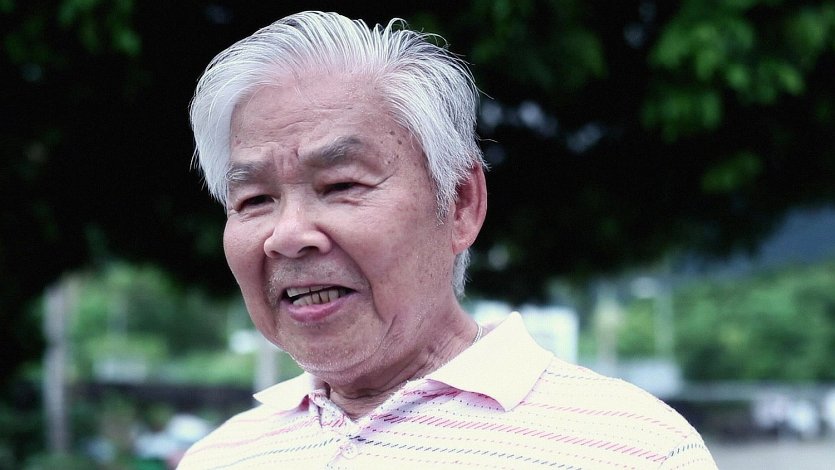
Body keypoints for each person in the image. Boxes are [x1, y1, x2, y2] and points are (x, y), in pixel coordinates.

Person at [178, 11, 717, 469]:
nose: (289, 236)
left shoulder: (631, 450)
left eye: (341, 185)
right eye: (254, 199)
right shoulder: (220, 457)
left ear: (460, 203)